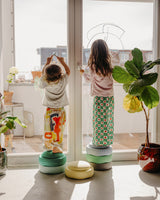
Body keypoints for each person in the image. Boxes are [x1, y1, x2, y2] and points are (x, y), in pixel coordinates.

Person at [80, 39, 114, 146]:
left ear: (93, 52)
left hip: (99, 97)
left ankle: (98, 141)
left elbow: (88, 79)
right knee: (108, 119)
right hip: (109, 97)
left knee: (98, 120)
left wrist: (81, 72)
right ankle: (107, 141)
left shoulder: (93, 66)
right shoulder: (109, 66)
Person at [39, 55, 70, 153]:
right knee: (58, 129)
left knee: (48, 128)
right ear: (60, 73)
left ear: (46, 75)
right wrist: (62, 61)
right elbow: (68, 72)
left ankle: (49, 147)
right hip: (60, 110)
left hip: (49, 110)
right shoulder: (62, 81)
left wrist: (47, 63)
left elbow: (42, 74)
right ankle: (57, 146)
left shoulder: (45, 82)